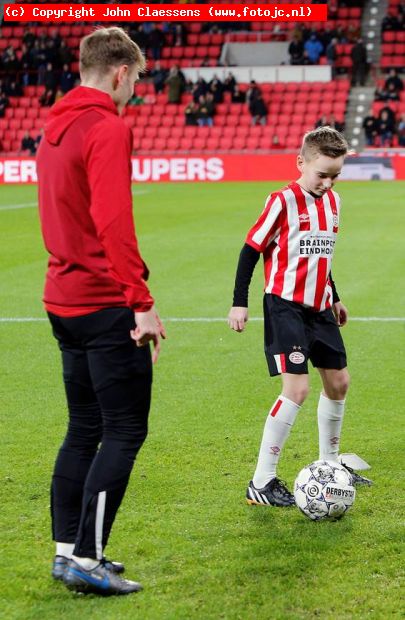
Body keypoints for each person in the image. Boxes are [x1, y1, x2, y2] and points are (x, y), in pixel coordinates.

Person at [36, 26, 165, 596]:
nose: (135, 88)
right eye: (135, 78)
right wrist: (141, 302)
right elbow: (114, 222)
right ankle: (87, 557)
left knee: (83, 427)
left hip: (62, 299)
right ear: (119, 73)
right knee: (123, 432)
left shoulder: (54, 126)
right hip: (104, 301)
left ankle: (69, 553)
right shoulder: (107, 127)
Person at [227, 127, 372, 509]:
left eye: (335, 175)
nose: (327, 182)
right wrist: (239, 302)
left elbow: (321, 256)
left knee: (339, 382)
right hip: (284, 305)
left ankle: (330, 464)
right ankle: (262, 481)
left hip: (321, 307)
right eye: (321, 174)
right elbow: (249, 250)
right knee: (297, 390)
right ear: (301, 163)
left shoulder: (335, 202)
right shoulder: (282, 200)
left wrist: (335, 297)